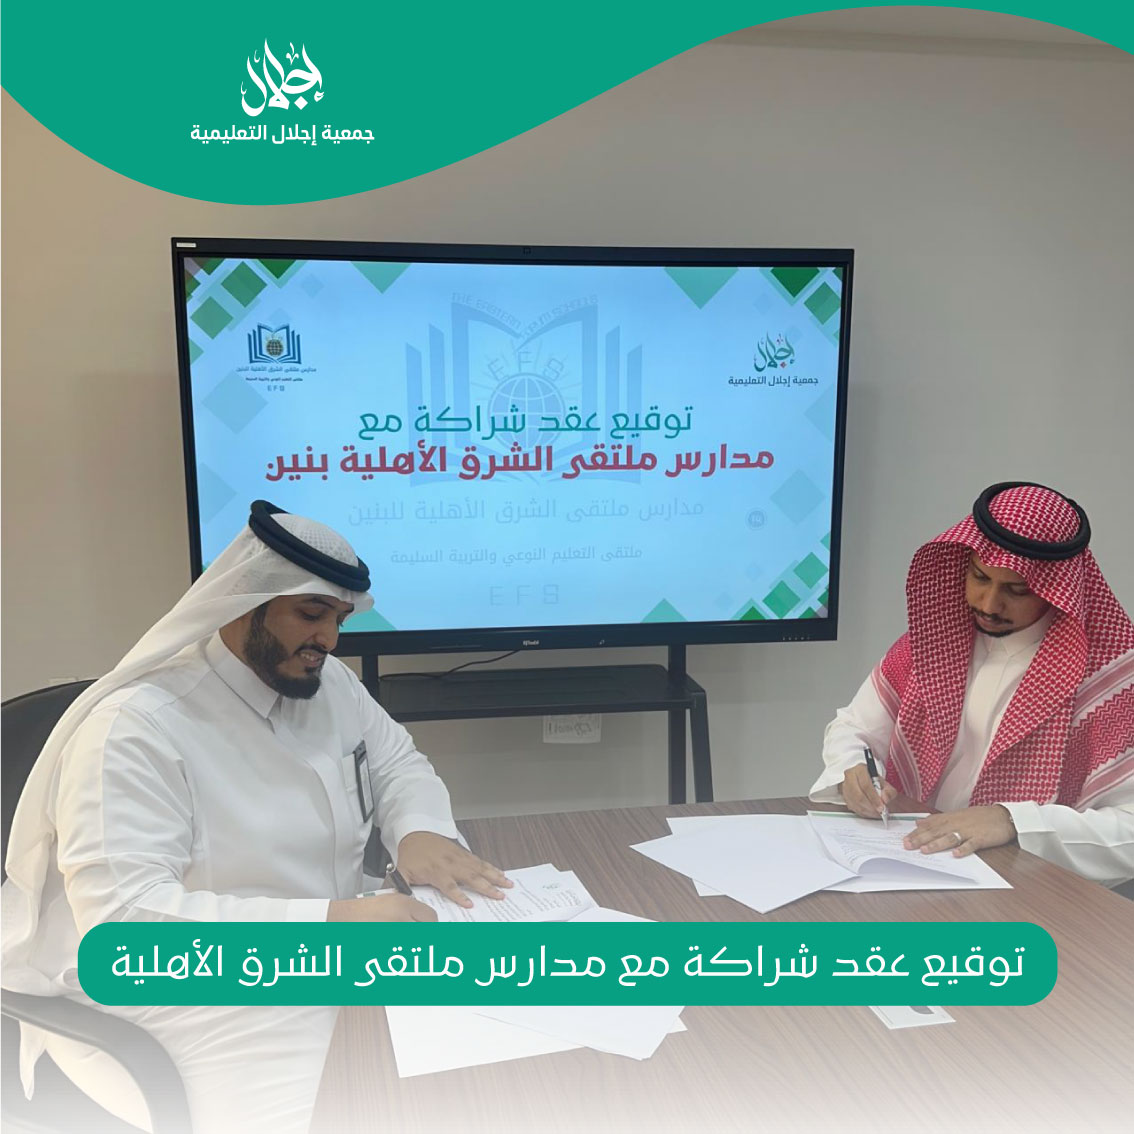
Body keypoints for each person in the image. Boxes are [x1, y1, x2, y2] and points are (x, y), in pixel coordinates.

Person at [1, 500, 511, 1133]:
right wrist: (333, 924)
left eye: (339, 619)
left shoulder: (330, 684)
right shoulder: (136, 728)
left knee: (465, 1054)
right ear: (247, 603)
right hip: (181, 987)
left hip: (323, 946)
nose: (329, 640)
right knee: (358, 1098)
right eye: (311, 614)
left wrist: (420, 831)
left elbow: (397, 763)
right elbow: (125, 924)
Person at [811, 482, 1134, 886]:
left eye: (1016, 590)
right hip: (911, 865)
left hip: (1031, 892)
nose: (988, 604)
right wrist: (852, 768)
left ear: (1057, 591)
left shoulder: (1113, 682)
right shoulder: (933, 640)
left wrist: (1012, 821)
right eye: (980, 577)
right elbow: (854, 727)